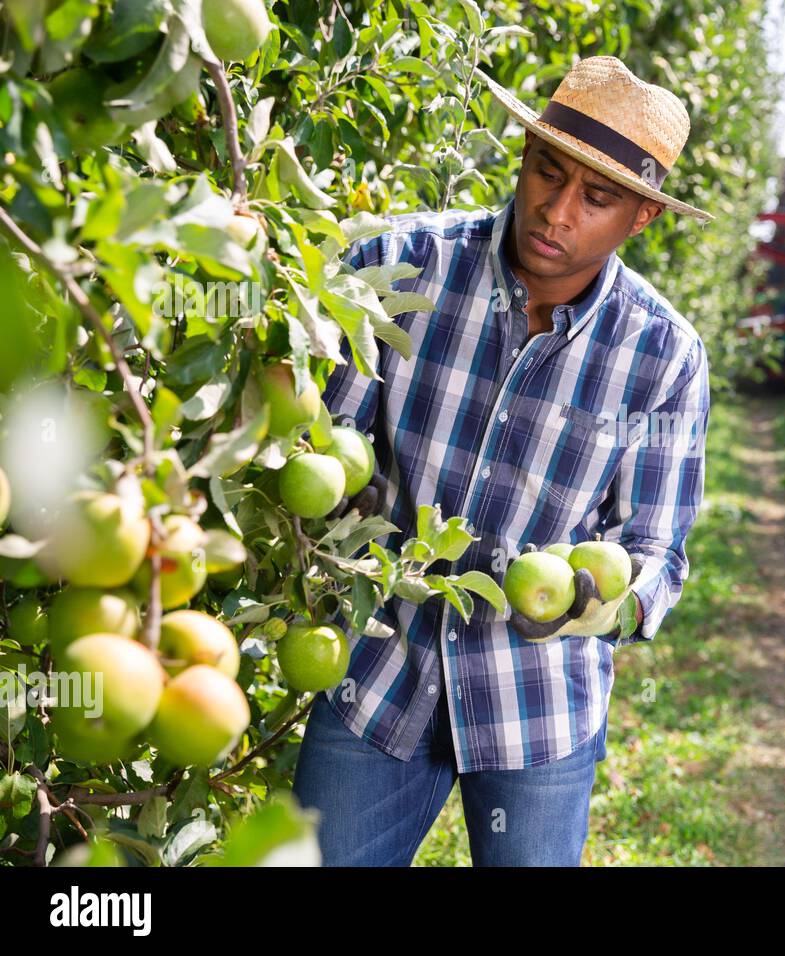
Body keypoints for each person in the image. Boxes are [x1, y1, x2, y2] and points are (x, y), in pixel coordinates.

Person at [291, 56, 713, 866]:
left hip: (539, 705)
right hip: (381, 672)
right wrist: (340, 497)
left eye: (597, 199)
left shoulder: (662, 355)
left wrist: (600, 605)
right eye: (545, 174)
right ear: (520, 158)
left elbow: (658, 553)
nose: (556, 213)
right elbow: (323, 448)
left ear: (641, 218)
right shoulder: (401, 265)